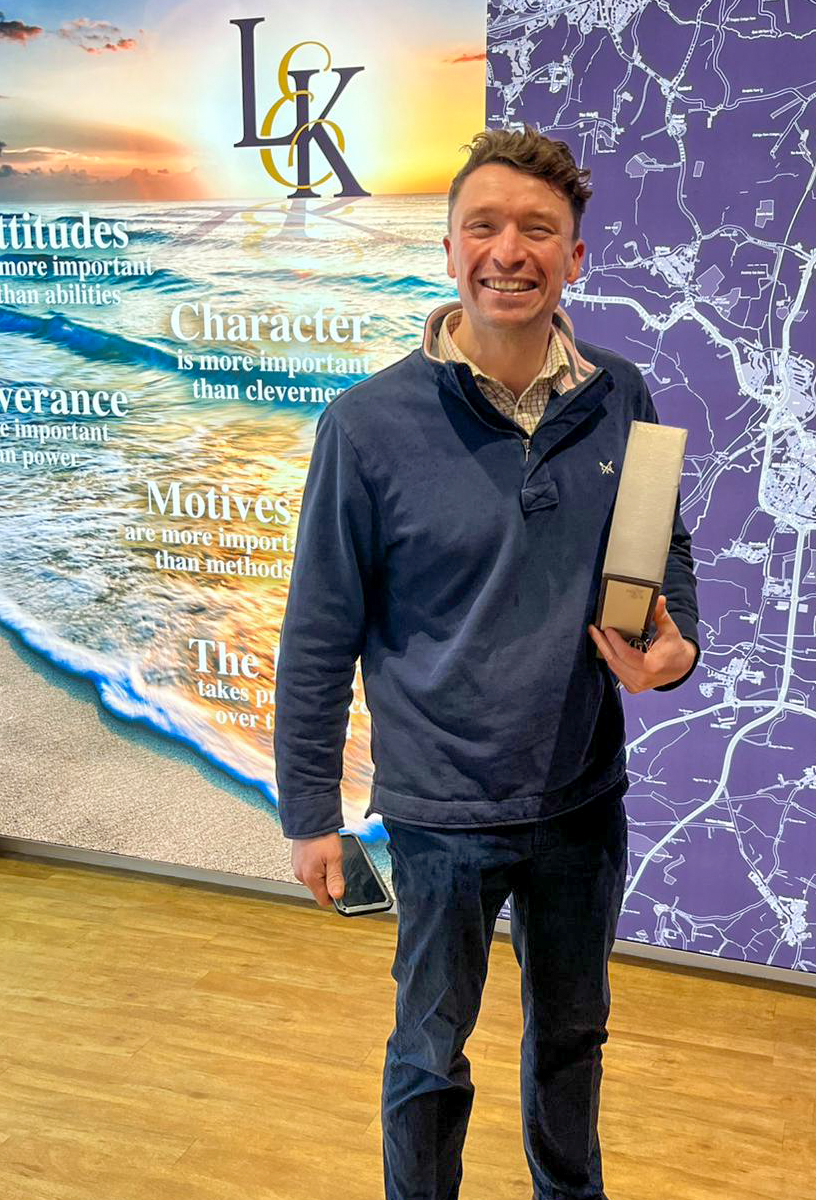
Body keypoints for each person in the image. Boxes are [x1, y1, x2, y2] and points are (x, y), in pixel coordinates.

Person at [274, 126, 699, 1200]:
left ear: (575, 257)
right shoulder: (365, 426)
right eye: (485, 226)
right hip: (438, 814)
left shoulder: (622, 396)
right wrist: (309, 812)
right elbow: (319, 631)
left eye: (538, 230)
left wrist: (677, 646)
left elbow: (663, 551)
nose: (510, 251)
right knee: (430, 1054)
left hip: (581, 799)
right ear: (450, 248)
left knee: (572, 1038)